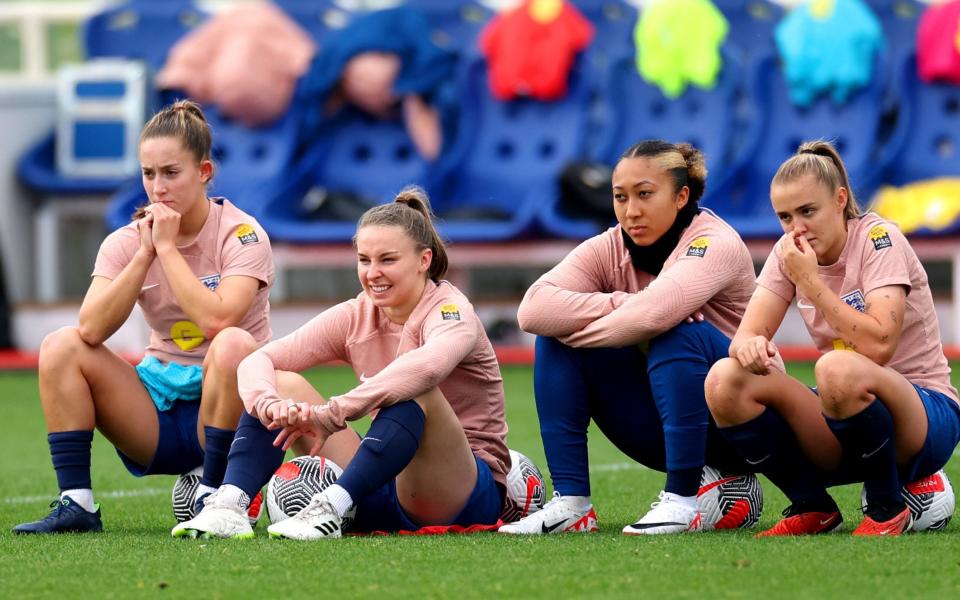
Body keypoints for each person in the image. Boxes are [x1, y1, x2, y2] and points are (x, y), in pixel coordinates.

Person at [172, 186, 510, 540]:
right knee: (281, 381)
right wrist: (269, 404)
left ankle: (330, 508)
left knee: (415, 389)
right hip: (383, 481)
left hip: (461, 493)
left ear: (423, 260)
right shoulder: (356, 313)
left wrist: (333, 412)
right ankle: (230, 505)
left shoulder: (450, 310)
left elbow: (426, 369)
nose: (373, 273)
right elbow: (260, 359)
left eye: (388, 260)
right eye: (365, 260)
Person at [13, 100, 274, 534]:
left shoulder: (242, 234)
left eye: (171, 173)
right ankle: (76, 503)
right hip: (155, 412)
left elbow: (219, 322)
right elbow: (92, 329)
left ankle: (213, 495)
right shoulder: (125, 241)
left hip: (230, 407)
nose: (158, 188)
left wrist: (169, 250)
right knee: (61, 344)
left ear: (204, 172)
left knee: (232, 345)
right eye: (148, 174)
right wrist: (146, 252)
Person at [500, 140, 757, 536]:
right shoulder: (611, 244)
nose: (631, 210)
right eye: (620, 197)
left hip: (738, 426)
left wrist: (643, 314)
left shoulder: (713, 242)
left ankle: (682, 500)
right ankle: (572, 504)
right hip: (662, 421)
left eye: (645, 195)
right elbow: (533, 309)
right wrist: (626, 304)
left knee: (675, 332)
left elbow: (656, 315)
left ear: (681, 196)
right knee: (554, 337)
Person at [704, 140, 960, 536]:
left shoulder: (879, 239)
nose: (796, 229)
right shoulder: (786, 252)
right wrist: (749, 346)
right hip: (844, 409)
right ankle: (811, 505)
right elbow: (745, 336)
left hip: (926, 414)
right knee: (724, 379)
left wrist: (810, 281)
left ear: (840, 200)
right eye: (785, 217)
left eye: (807, 211)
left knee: (836, 368)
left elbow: (878, 346)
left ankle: (886, 505)